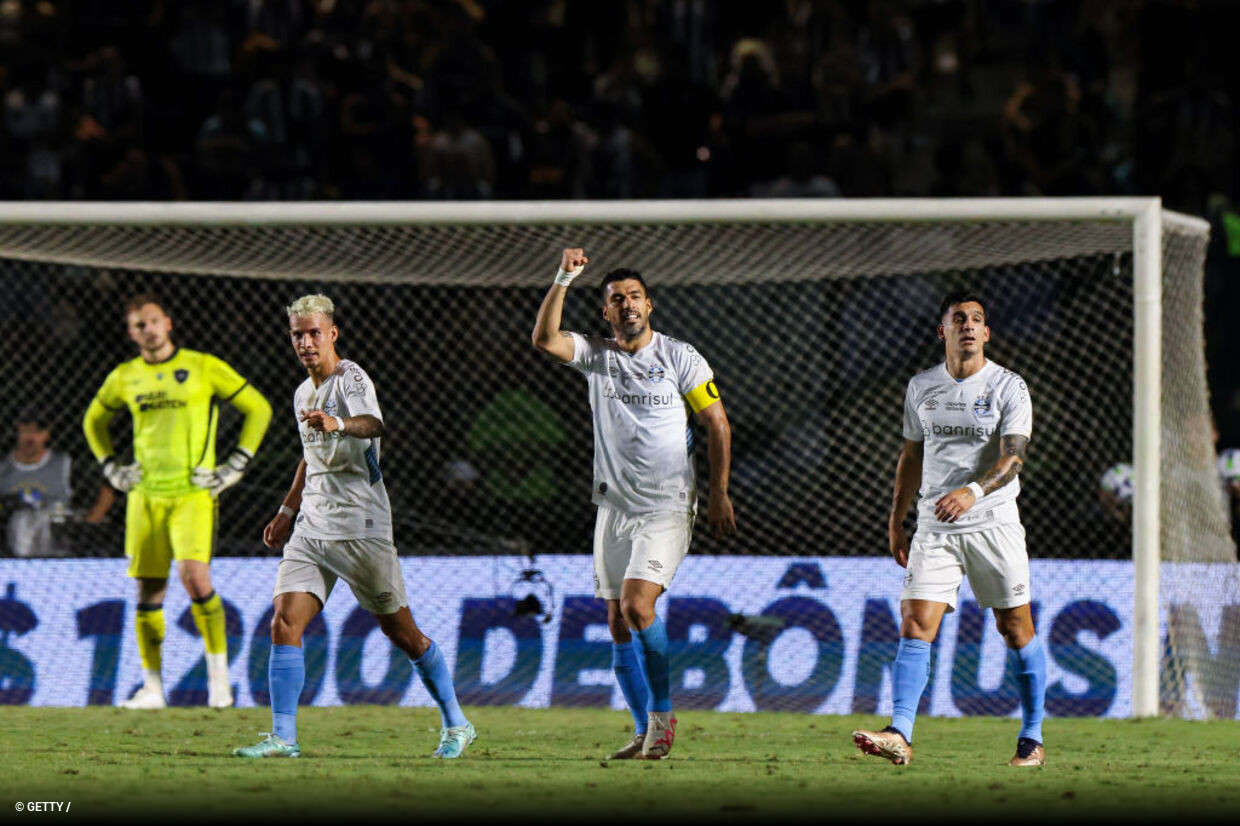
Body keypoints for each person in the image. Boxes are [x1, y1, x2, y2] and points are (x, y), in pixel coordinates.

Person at [234, 294, 475, 759]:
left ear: (332, 334)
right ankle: (284, 737)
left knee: (403, 633)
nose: (305, 342)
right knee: (284, 621)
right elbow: (310, 459)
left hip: (361, 526)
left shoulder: (352, 377)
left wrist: (339, 422)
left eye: (313, 333)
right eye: (297, 335)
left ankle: (457, 723)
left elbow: (374, 424)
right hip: (311, 527)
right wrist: (286, 511)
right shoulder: (302, 393)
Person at [531, 249, 737, 760]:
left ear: (651, 305)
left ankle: (663, 721)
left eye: (635, 297)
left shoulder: (679, 357)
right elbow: (544, 339)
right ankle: (644, 729)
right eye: (616, 299)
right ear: (605, 312)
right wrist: (563, 278)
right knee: (618, 623)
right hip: (613, 508)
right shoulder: (598, 355)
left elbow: (717, 423)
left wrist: (718, 492)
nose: (627, 306)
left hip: (666, 507)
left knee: (637, 605)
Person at [852, 290, 1045, 767]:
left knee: (1015, 627)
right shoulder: (921, 387)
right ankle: (900, 732)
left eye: (977, 319)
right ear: (943, 331)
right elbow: (911, 455)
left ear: (987, 332)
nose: (969, 326)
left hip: (993, 523)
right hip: (935, 527)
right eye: (958, 319)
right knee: (916, 624)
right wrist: (897, 519)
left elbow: (1014, 456)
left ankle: (1032, 737)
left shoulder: (1008, 387)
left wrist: (973, 493)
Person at [83, 294, 273, 710]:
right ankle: (153, 688)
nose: (146, 330)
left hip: (192, 493)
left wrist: (236, 464)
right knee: (148, 589)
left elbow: (258, 407)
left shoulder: (204, 367)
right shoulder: (124, 377)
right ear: (131, 333)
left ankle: (219, 685)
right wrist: (111, 466)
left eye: (152, 321)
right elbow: (93, 421)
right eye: (138, 325)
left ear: (168, 323)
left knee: (194, 578)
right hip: (144, 496)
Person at [0, 407, 114, 557]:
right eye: (26, 431)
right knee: (22, 520)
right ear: (17, 432)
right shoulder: (3, 468)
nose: (31, 438)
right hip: (12, 543)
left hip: (57, 543)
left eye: (38, 432)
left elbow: (107, 490)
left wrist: (88, 524)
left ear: (47, 434)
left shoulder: (65, 465)